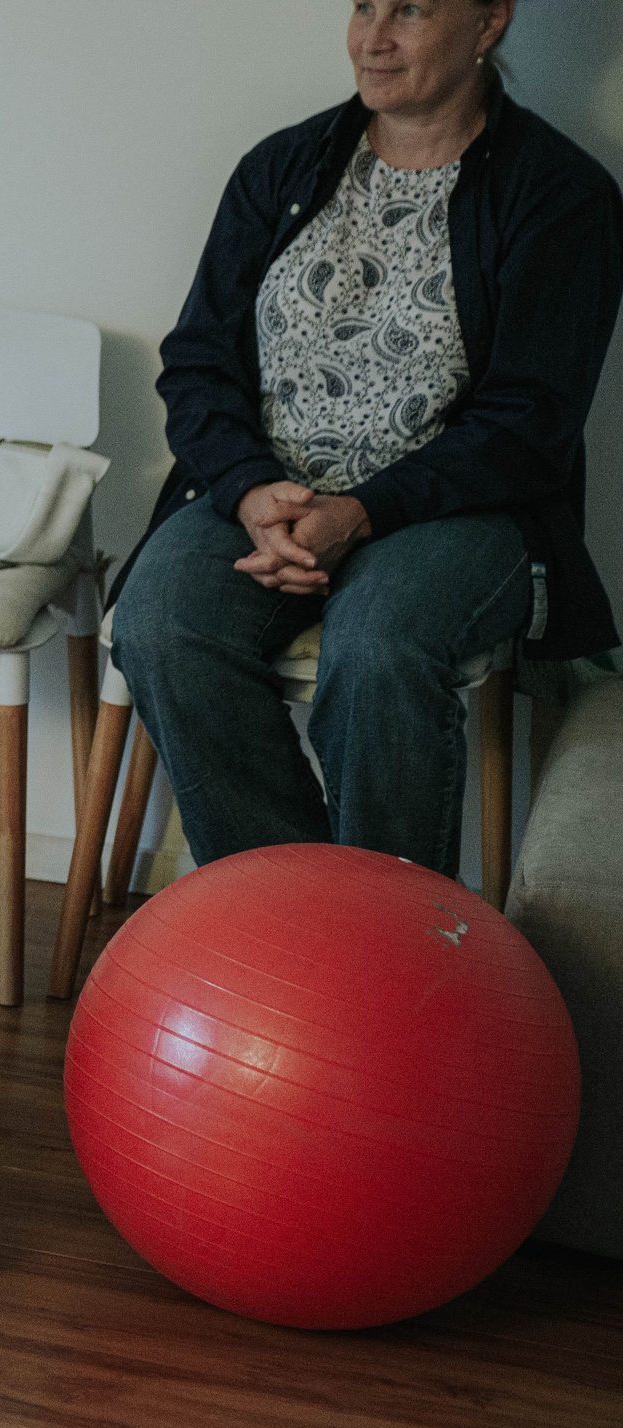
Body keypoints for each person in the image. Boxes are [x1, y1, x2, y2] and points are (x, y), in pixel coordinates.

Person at [111, 0, 622, 873]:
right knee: (160, 620)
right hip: (271, 491)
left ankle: (390, 946)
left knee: (381, 645)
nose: (373, 36)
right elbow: (198, 359)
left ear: (488, 23)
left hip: (457, 512)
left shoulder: (561, 193)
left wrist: (362, 510)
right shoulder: (282, 168)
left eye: (412, 10)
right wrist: (246, 487)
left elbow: (529, 424)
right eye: (363, 5)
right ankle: (293, 916)